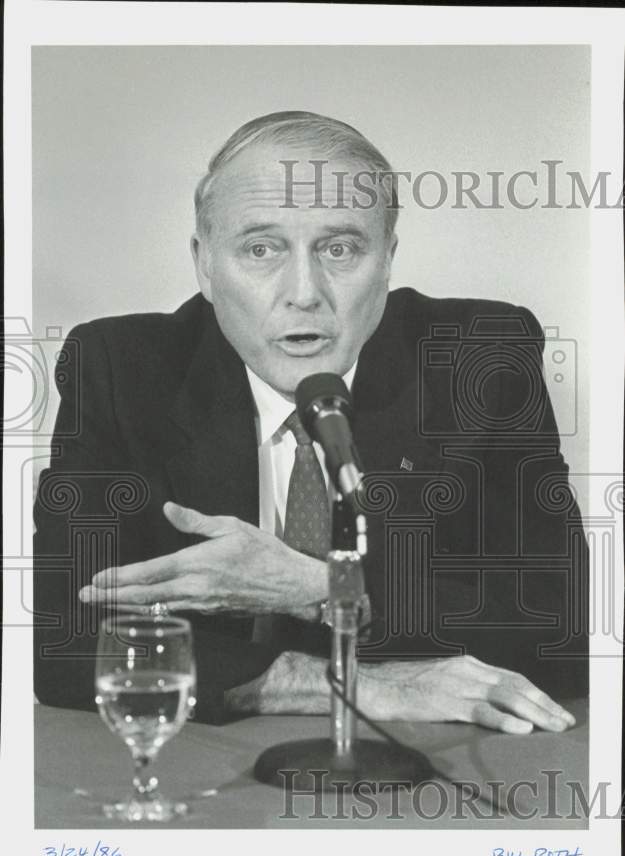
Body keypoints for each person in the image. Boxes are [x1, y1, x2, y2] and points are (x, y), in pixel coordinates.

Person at [34, 110, 587, 734]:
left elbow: (564, 618)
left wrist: (319, 587)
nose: (304, 292)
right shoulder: (121, 371)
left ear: (387, 261)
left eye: (341, 248)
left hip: (430, 769)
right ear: (204, 266)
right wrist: (353, 688)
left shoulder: (482, 360)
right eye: (261, 248)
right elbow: (66, 644)